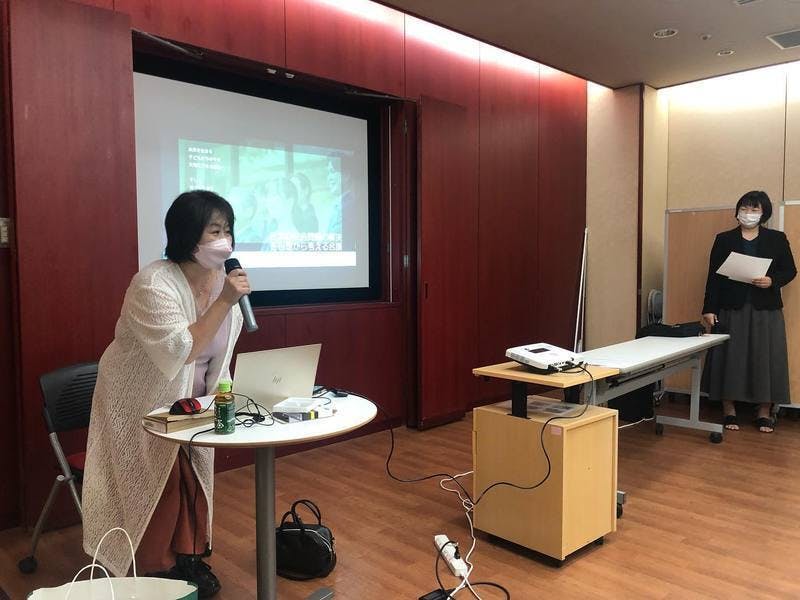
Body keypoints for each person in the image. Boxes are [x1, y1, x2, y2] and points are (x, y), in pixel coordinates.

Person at [81, 190, 250, 597]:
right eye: (214, 230)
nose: (224, 240)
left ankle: (190, 558)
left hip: (194, 402)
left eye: (228, 230)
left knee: (196, 478)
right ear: (188, 235)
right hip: (139, 401)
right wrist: (225, 301)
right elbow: (182, 349)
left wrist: (220, 399)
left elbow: (218, 354)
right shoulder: (153, 283)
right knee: (163, 481)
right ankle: (157, 569)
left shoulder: (221, 281)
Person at [701, 190, 796, 433]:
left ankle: (764, 411)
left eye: (754, 209)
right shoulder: (724, 239)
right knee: (730, 356)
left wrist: (772, 281)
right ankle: (728, 409)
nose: (748, 213)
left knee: (766, 357)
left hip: (766, 307)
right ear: (737, 211)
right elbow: (713, 277)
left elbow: (790, 270)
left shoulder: (777, 239)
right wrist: (709, 308)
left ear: (764, 213)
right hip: (732, 307)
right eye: (744, 208)